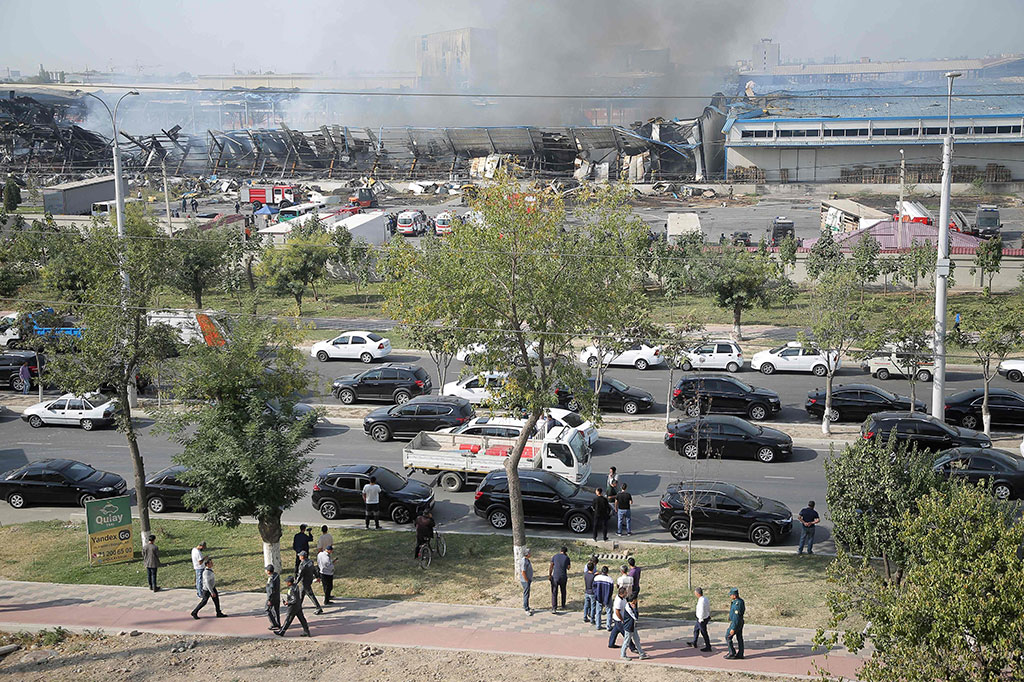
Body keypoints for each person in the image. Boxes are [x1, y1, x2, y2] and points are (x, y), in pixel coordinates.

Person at [607, 587, 637, 653]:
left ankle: (611, 643)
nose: (627, 593)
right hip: (619, 619)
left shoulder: (623, 598)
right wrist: (622, 619)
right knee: (626, 634)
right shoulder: (618, 601)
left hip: (618, 619)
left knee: (615, 631)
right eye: (625, 592)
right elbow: (617, 611)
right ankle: (632, 648)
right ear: (621, 593)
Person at [620, 594, 650, 660]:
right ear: (634, 600)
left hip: (633, 626)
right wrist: (635, 609)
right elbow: (636, 617)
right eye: (636, 600)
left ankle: (641, 654)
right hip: (629, 627)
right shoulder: (628, 608)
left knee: (637, 640)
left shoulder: (630, 605)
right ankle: (623, 655)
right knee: (626, 641)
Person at [296, 550, 323, 614]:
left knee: (310, 594)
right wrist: (317, 577)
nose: (299, 557)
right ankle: (298, 606)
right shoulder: (310, 562)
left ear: (302, 557)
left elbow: (300, 575)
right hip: (309, 579)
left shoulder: (302, 565)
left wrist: (295, 583)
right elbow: (314, 570)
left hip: (305, 582)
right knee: (301, 593)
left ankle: (318, 607)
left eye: (300, 556)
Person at [548, 546, 571, 613]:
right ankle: (563, 605)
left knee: (554, 592)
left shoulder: (555, 556)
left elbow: (551, 566)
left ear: (560, 550)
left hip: (555, 577)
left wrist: (549, 575)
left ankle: (554, 607)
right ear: (566, 552)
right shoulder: (567, 558)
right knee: (563, 591)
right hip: (563, 577)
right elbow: (568, 567)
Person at [725, 588, 745, 660]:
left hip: (736, 623)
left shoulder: (737, 604)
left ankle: (732, 652)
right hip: (739, 622)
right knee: (739, 638)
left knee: (728, 636)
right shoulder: (740, 601)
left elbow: (736, 617)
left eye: (731, 595)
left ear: (734, 595)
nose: (730, 596)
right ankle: (740, 653)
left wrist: (733, 628)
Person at [592, 566, 615, 630]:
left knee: (598, 611)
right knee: (609, 611)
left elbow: (593, 587)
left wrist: (596, 594)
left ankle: (598, 625)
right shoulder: (610, 580)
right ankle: (608, 626)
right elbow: (611, 590)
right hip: (607, 597)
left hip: (599, 597)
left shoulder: (597, 578)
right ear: (607, 572)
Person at [691, 587, 712, 651]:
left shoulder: (701, 601)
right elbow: (708, 607)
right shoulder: (705, 599)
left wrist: (700, 619)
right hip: (704, 617)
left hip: (702, 619)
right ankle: (694, 642)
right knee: (696, 630)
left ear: (697, 594)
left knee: (704, 632)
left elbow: (701, 611)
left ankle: (708, 646)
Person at [265, 565, 281, 631]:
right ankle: (278, 624)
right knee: (276, 610)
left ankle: (274, 624)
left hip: (272, 598)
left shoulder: (271, 579)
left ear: (268, 572)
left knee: (267, 609)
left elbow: (270, 590)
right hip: (277, 596)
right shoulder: (276, 575)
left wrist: (269, 599)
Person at [520, 548, 534, 616]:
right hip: (525, 581)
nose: (531, 554)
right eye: (530, 553)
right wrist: (526, 580)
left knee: (527, 594)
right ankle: (526, 609)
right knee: (526, 594)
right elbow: (523, 572)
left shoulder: (527, 560)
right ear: (527, 554)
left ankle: (526, 606)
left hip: (528, 580)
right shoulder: (524, 561)